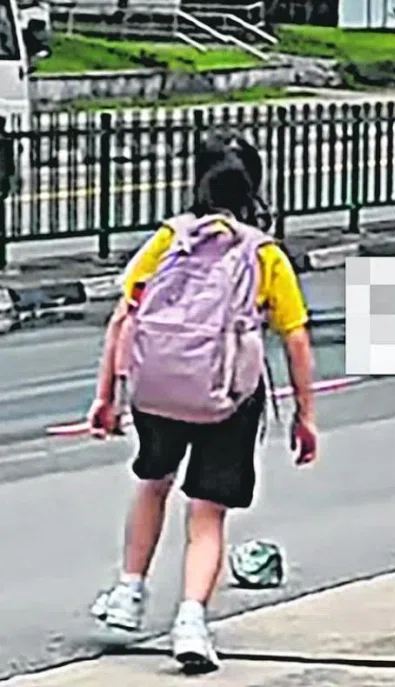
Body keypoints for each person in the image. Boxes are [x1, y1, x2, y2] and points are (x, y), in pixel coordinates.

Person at [86, 130, 319, 674]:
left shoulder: (169, 240)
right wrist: (305, 415)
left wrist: (107, 396)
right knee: (207, 514)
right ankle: (191, 620)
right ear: (254, 186)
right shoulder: (264, 254)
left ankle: (129, 591)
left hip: (159, 389)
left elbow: (126, 316)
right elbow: (297, 338)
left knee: (153, 483)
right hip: (229, 397)